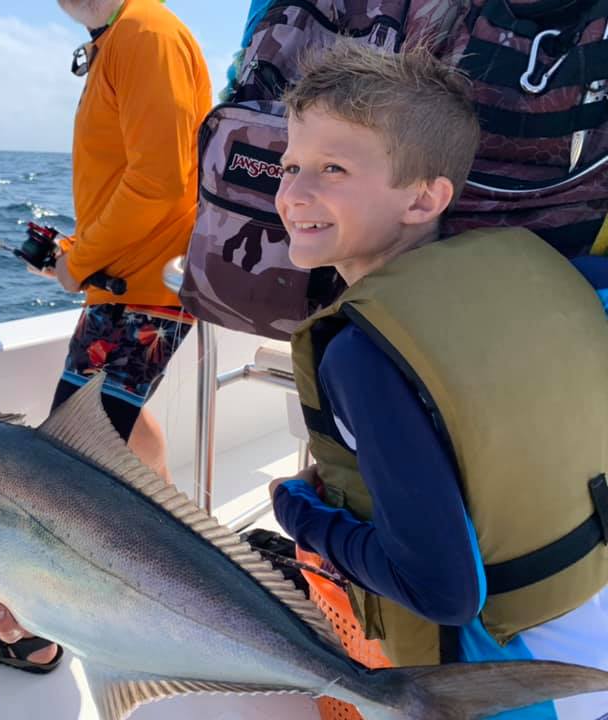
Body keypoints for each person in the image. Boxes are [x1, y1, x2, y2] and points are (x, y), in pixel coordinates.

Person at [268, 43, 608, 719]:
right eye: (289, 165)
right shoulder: (537, 274)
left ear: (426, 197)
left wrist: (300, 515)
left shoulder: (362, 357)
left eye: (333, 168)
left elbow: (445, 591)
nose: (294, 193)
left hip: (522, 685)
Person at [50, 0, 213, 481]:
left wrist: (78, 263)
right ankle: (184, 540)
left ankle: (177, 549)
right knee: (124, 424)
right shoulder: (119, 37)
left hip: (147, 286)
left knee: (71, 458)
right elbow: (127, 177)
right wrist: (74, 250)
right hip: (125, 281)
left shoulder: (146, 31)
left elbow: (158, 183)